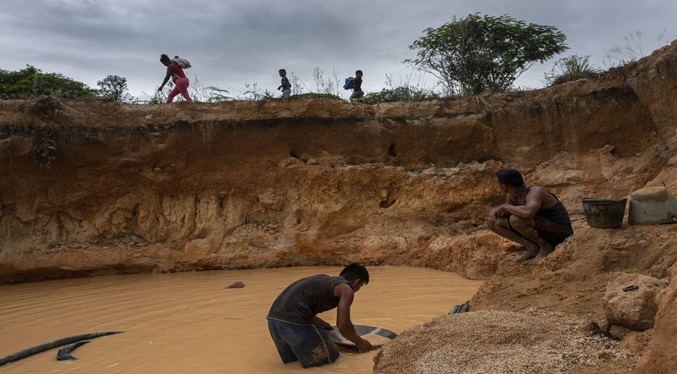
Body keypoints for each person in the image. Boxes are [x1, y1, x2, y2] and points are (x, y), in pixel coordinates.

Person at [266, 263, 373, 368]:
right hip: (296, 322)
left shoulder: (323, 279)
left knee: (293, 365)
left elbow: (297, 304)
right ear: (357, 282)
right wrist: (360, 342)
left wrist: (322, 323)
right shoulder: (346, 289)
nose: (358, 289)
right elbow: (343, 324)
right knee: (328, 363)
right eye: (361, 285)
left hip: (273, 321)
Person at [486, 168, 573, 263]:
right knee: (494, 223)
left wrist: (505, 207)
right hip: (543, 229)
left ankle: (546, 247)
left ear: (504, 186)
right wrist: (496, 213)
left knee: (516, 220)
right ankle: (532, 247)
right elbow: (507, 212)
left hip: (562, 232)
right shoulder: (511, 194)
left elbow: (527, 213)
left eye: (498, 183)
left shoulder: (535, 192)